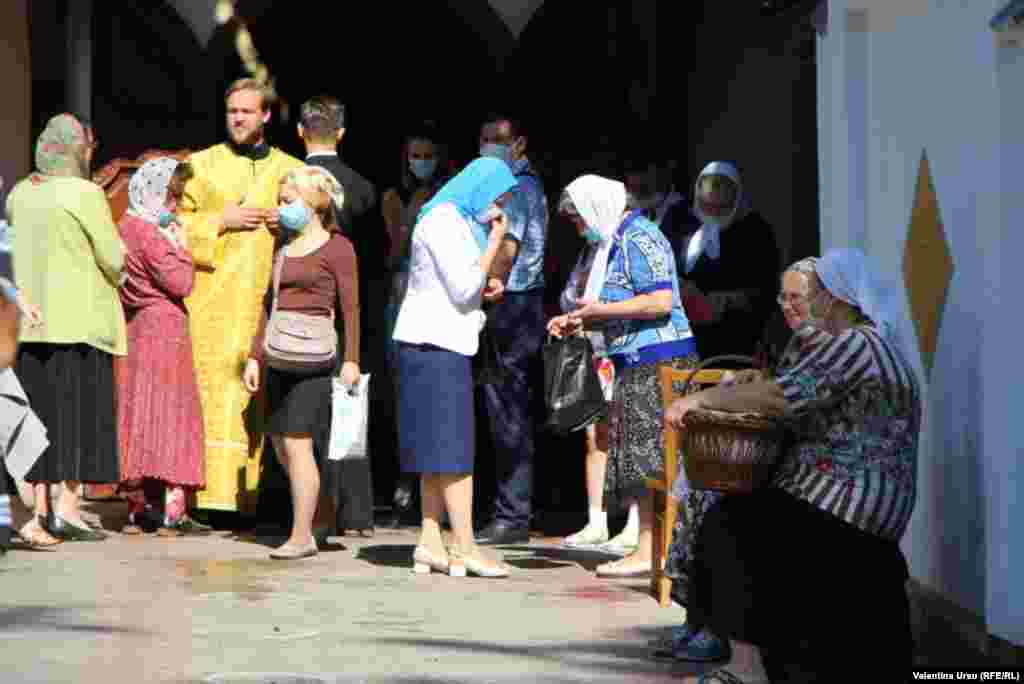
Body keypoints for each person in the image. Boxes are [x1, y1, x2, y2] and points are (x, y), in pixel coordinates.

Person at [664, 248, 922, 683]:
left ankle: (745, 670)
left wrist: (702, 399)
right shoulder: (881, 349)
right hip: (868, 507)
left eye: (814, 291)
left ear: (835, 297)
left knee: (728, 523)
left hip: (841, 505)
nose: (807, 301)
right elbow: (798, 393)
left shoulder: (856, 343)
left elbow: (781, 398)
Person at [653, 256, 819, 663]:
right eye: (783, 297)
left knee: (719, 507)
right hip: (767, 455)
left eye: (797, 297)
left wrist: (711, 397)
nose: (788, 305)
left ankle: (716, 628)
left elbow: (782, 399)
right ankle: (697, 616)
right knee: (701, 492)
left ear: (822, 298)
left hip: (795, 467)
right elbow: (773, 384)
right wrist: (748, 380)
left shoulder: (827, 346)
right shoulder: (789, 338)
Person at [547, 175, 697, 578]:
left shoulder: (640, 238)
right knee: (639, 458)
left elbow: (660, 301)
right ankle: (648, 548)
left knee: (652, 458)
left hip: (659, 361)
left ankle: (652, 550)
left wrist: (598, 312)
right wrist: (580, 319)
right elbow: (619, 303)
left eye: (579, 219)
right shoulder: (613, 243)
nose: (580, 228)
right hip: (634, 362)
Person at [178, 78, 304, 515]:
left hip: (261, 304)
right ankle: (201, 497)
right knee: (208, 397)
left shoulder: (291, 169)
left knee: (257, 401)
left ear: (265, 115)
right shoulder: (198, 165)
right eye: (232, 111)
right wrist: (219, 219)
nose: (237, 118)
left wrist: (288, 223)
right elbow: (171, 228)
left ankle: (250, 499)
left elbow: (317, 227)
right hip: (209, 303)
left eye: (246, 112)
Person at [393, 157, 515, 578]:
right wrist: (495, 241)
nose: (500, 209)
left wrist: (485, 284)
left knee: (436, 449)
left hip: (438, 341)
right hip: (436, 344)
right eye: (498, 198)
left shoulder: (456, 221)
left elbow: (462, 282)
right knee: (455, 451)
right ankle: (465, 546)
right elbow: (463, 288)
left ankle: (430, 541)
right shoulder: (444, 220)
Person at [7, 113, 125, 542]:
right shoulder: (86, 193)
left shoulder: (20, 193)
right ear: (79, 149)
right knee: (76, 418)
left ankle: (37, 510)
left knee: (37, 419)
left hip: (29, 325)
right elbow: (114, 259)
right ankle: (68, 510)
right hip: (79, 322)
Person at [244, 165, 360, 560]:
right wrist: (255, 356)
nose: (281, 207)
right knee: (280, 443)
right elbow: (269, 304)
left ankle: (301, 536)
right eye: (279, 200)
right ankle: (320, 513)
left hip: (315, 359)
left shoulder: (338, 248)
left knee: (297, 442)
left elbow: (351, 308)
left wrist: (352, 359)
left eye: (288, 199)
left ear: (314, 202)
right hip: (279, 354)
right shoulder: (283, 245)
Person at [297, 95, 378, 538]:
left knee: (304, 413)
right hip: (350, 312)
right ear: (342, 134)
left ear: (300, 132)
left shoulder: (291, 182)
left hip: (301, 311)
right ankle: (354, 511)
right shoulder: (363, 188)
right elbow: (377, 257)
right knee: (348, 410)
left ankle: (309, 510)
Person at [114, 158, 207, 535]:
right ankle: (173, 512)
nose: (175, 206)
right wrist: (182, 246)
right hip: (165, 330)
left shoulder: (125, 226)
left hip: (136, 328)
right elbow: (182, 282)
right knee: (173, 413)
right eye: (172, 197)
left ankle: (139, 509)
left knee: (141, 412)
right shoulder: (150, 234)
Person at [474, 113, 549, 547]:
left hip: (512, 302)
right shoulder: (512, 184)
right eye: (484, 138)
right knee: (500, 406)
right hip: (514, 302)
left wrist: (485, 285)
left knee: (508, 409)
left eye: (497, 139)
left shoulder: (517, 187)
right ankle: (505, 508)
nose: (489, 146)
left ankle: (512, 514)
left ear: (519, 144)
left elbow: (506, 247)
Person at [380, 121, 450, 526]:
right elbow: (394, 253)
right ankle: (404, 484)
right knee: (401, 393)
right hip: (402, 297)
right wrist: (410, 212)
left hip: (439, 299)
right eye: (415, 156)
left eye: (428, 156)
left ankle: (437, 490)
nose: (421, 163)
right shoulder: (394, 196)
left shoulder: (448, 195)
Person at [678, 162, 779, 362]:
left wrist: (718, 302)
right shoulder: (687, 229)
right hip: (694, 338)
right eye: (707, 206)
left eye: (721, 208)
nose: (713, 213)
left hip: (738, 339)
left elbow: (764, 289)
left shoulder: (755, 232)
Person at [555, 215, 616, 549]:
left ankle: (635, 523)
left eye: (581, 219)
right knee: (594, 436)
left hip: (617, 351)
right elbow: (569, 294)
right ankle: (596, 520)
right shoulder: (588, 252)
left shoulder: (618, 248)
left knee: (625, 436)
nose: (579, 228)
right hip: (591, 349)